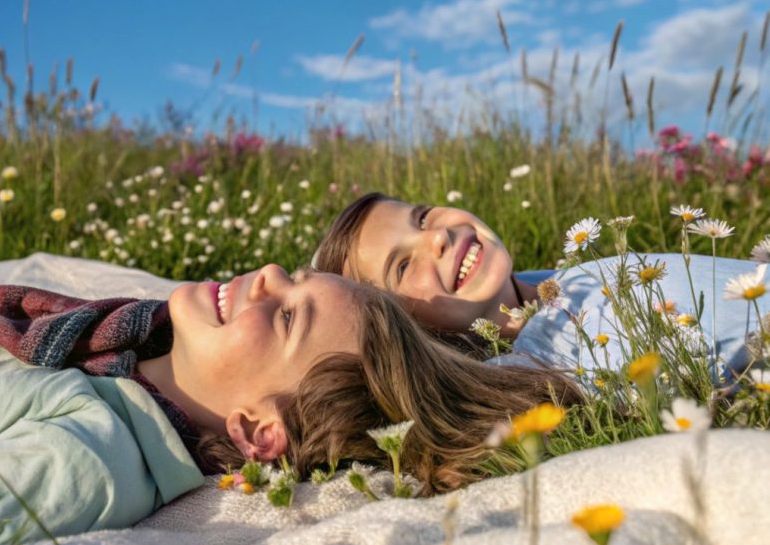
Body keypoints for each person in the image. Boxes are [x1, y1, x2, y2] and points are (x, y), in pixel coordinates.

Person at [0, 262, 579, 545]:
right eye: (295, 276)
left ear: (259, 430)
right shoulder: (113, 335)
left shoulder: (96, 452)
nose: (269, 271)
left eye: (285, 316)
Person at [314, 193, 769, 382]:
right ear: (406, 328)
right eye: (402, 265)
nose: (435, 237)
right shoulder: (535, 369)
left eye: (421, 216)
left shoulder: (558, 277)